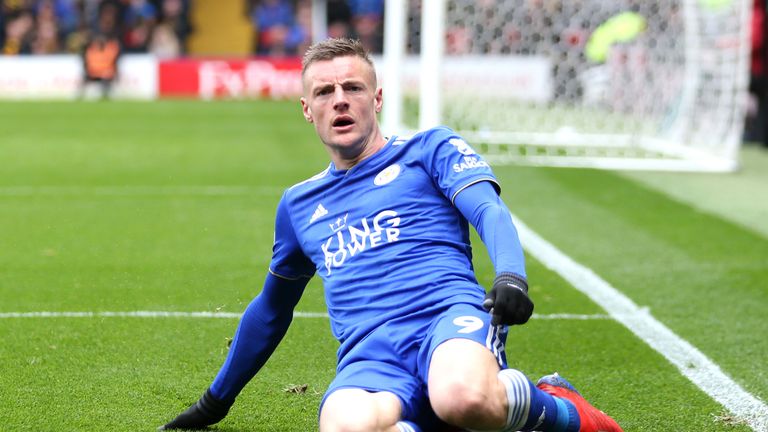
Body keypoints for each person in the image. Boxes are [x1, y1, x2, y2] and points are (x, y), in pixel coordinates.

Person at [158, 37, 622, 432]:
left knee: (463, 398)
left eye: (352, 87)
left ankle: (565, 410)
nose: (339, 99)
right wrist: (215, 401)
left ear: (376, 99)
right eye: (324, 91)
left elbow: (487, 209)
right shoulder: (298, 205)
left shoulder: (428, 149)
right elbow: (271, 310)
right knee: (345, 425)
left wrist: (511, 277)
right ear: (307, 109)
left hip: (447, 319)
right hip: (370, 356)